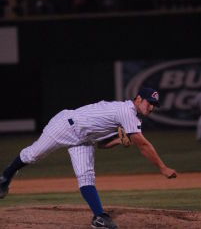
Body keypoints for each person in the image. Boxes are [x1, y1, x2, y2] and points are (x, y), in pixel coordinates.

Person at [0, 87, 177, 229]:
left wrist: (117, 141)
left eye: (154, 105)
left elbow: (101, 145)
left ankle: (99, 217)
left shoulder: (129, 116)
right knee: (32, 155)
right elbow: (143, 145)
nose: (151, 107)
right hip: (66, 126)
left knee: (86, 177)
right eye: (149, 102)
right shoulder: (127, 111)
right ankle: (5, 177)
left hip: (83, 140)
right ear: (138, 99)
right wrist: (163, 168)